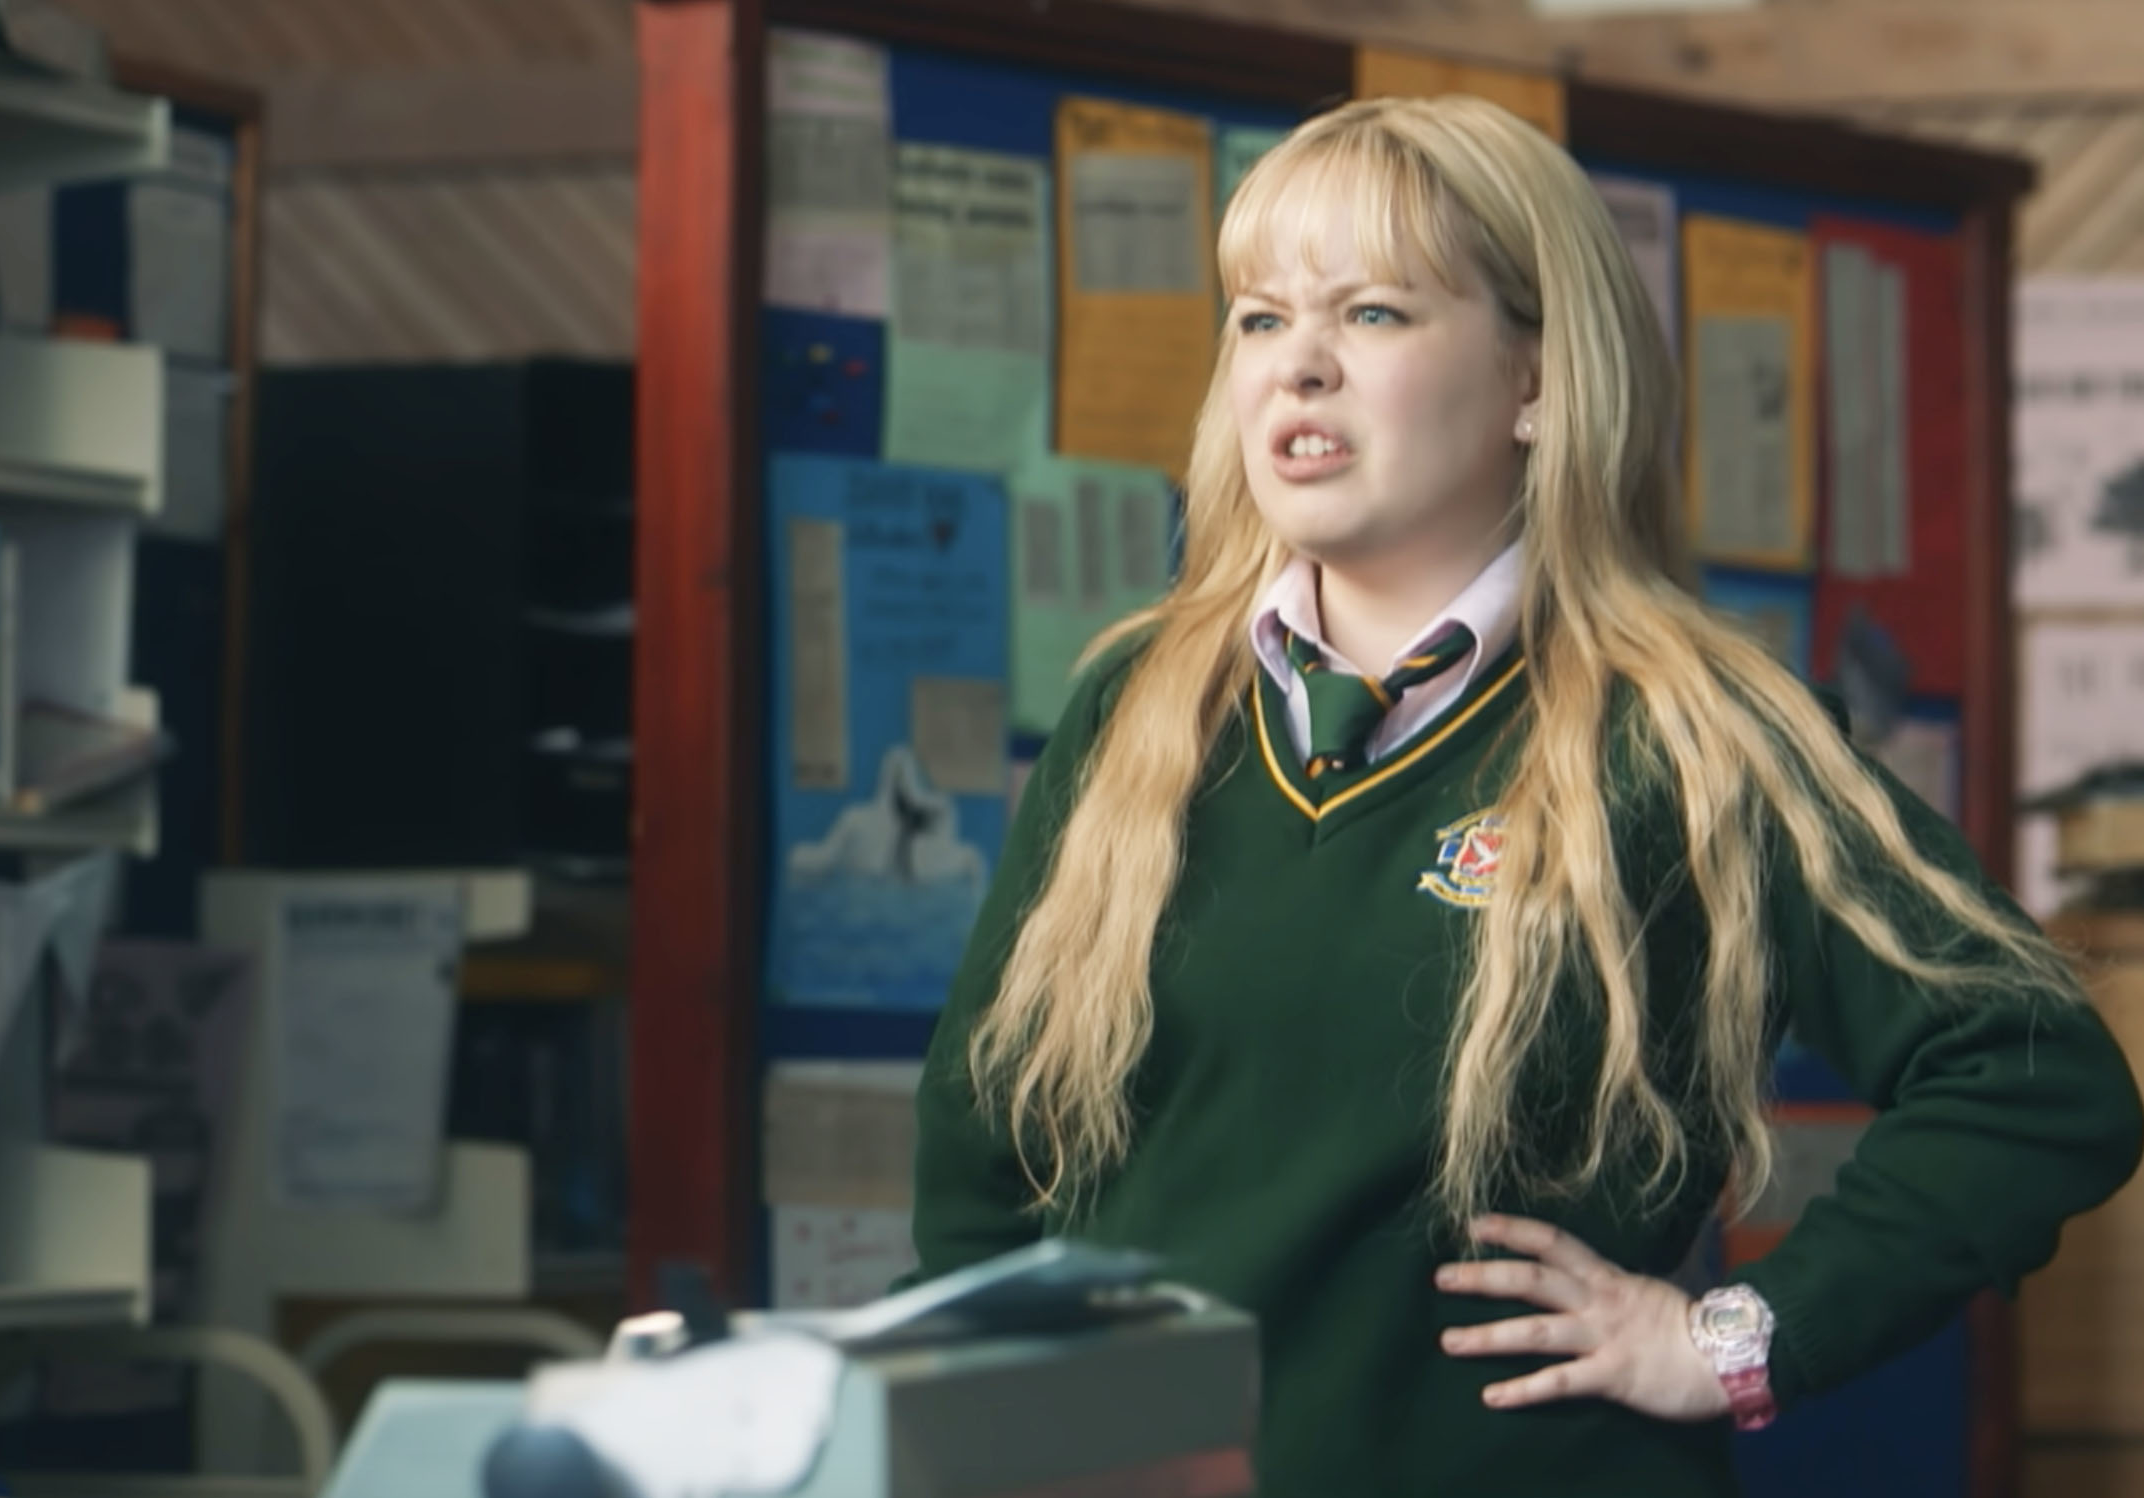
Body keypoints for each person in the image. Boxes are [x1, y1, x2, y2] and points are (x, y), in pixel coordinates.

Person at [904, 93, 2144, 1497]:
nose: (1296, 368)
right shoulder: (1135, 712)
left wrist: (1737, 1340)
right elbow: (977, 1185)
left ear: (1535, 382)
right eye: (1258, 319)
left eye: (1371, 314)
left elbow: (2030, 1082)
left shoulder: (1694, 730)